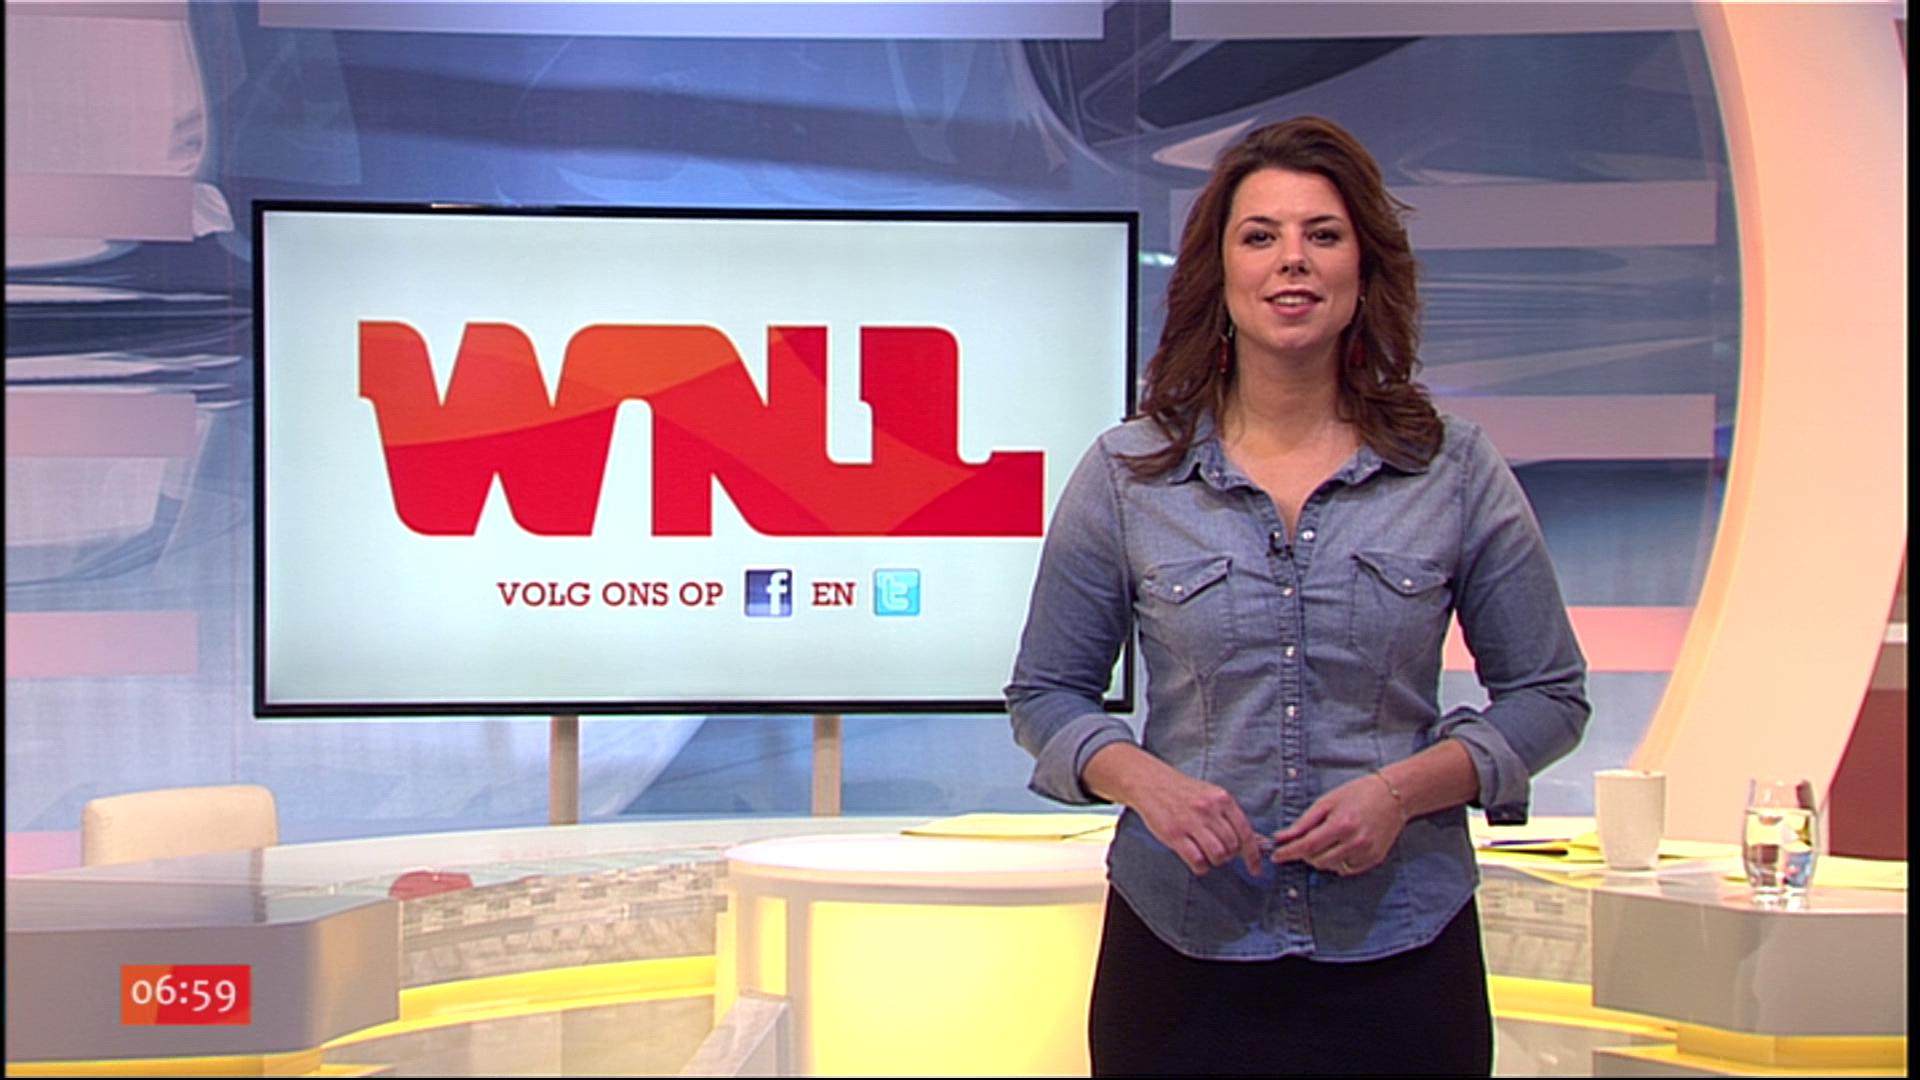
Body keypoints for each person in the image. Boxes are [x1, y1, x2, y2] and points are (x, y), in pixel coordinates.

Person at [1005, 116, 1590, 1076]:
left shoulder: (1451, 468)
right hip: (1182, 952)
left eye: (1323, 234)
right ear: (1220, 272)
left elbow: (1548, 697)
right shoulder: (1128, 474)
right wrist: (1147, 783)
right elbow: (1045, 695)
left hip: (1402, 948)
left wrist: (1401, 793)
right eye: (1260, 235)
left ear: (1364, 268)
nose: (1293, 261)